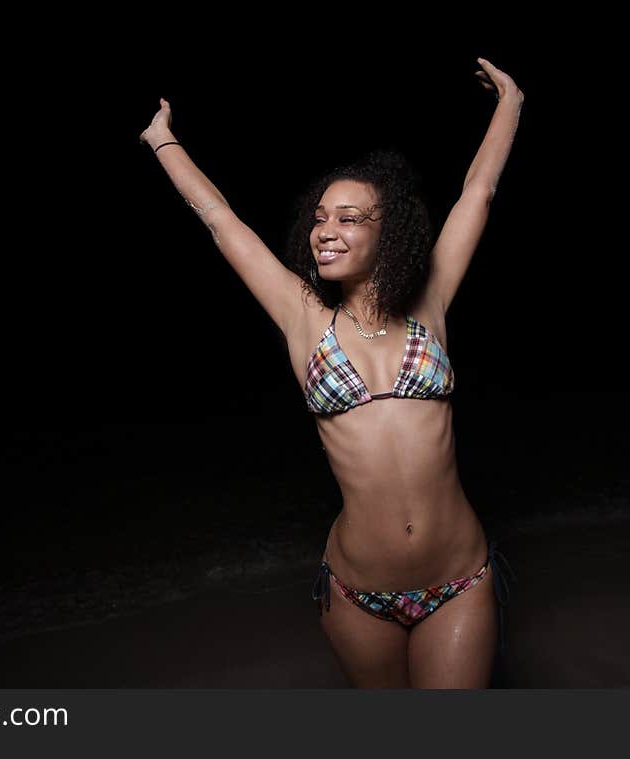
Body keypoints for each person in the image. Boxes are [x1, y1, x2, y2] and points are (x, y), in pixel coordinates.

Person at [139, 57, 523, 688]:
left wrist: (510, 100)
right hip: (358, 592)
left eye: (348, 218)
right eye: (320, 217)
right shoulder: (302, 316)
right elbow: (219, 219)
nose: (326, 231)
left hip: (459, 579)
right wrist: (161, 139)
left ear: (388, 233)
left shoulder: (430, 302)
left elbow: (476, 193)